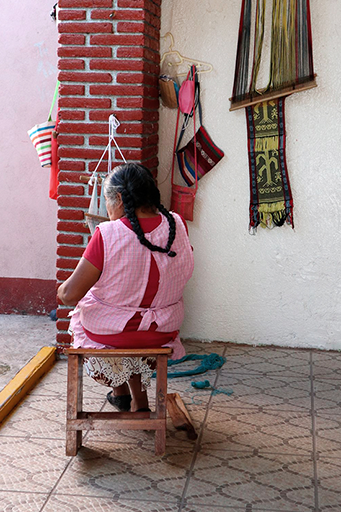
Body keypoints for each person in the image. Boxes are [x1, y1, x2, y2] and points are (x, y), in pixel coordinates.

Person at [58, 163, 194, 412]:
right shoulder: (177, 225)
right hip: (162, 331)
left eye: (106, 201)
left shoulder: (109, 234)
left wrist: (62, 290)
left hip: (112, 334)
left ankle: (120, 391)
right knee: (133, 309)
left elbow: (69, 295)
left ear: (118, 199)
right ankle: (135, 400)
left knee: (82, 310)